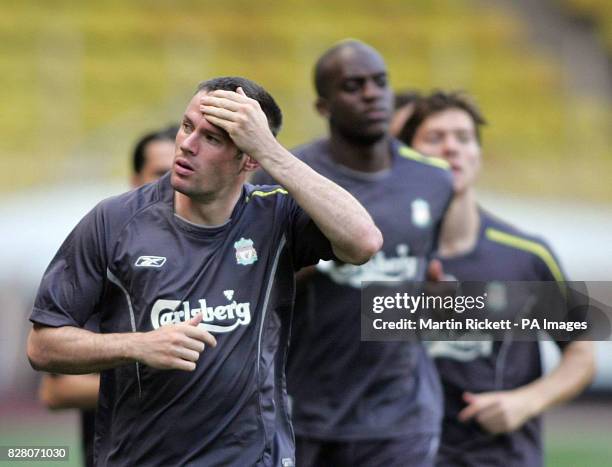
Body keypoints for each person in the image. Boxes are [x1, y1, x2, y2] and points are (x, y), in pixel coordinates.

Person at [27, 76, 382, 467]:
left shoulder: (275, 215)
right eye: (186, 126)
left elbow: (363, 241)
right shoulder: (114, 222)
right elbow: (43, 347)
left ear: (248, 159)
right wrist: (139, 346)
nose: (187, 145)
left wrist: (269, 151)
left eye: (212, 138)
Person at [253, 40, 453, 467]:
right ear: (323, 106)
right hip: (302, 409)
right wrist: (318, 262)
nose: (371, 94)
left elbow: (424, 276)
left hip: (401, 416)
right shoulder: (290, 178)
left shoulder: (434, 180)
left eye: (380, 83)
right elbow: (254, 280)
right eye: (353, 85)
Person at [401, 90, 596, 466]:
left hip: (502, 457)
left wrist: (527, 401)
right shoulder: (383, 254)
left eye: (463, 138)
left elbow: (582, 353)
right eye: (435, 138)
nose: (451, 148)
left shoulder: (524, 257)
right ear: (407, 156)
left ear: (478, 155)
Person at [37, 124, 178, 467]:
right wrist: (149, 365)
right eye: (160, 173)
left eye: (181, 171)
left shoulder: (217, 258)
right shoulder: (105, 255)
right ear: (134, 179)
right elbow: (56, 390)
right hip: (118, 453)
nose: (172, 184)